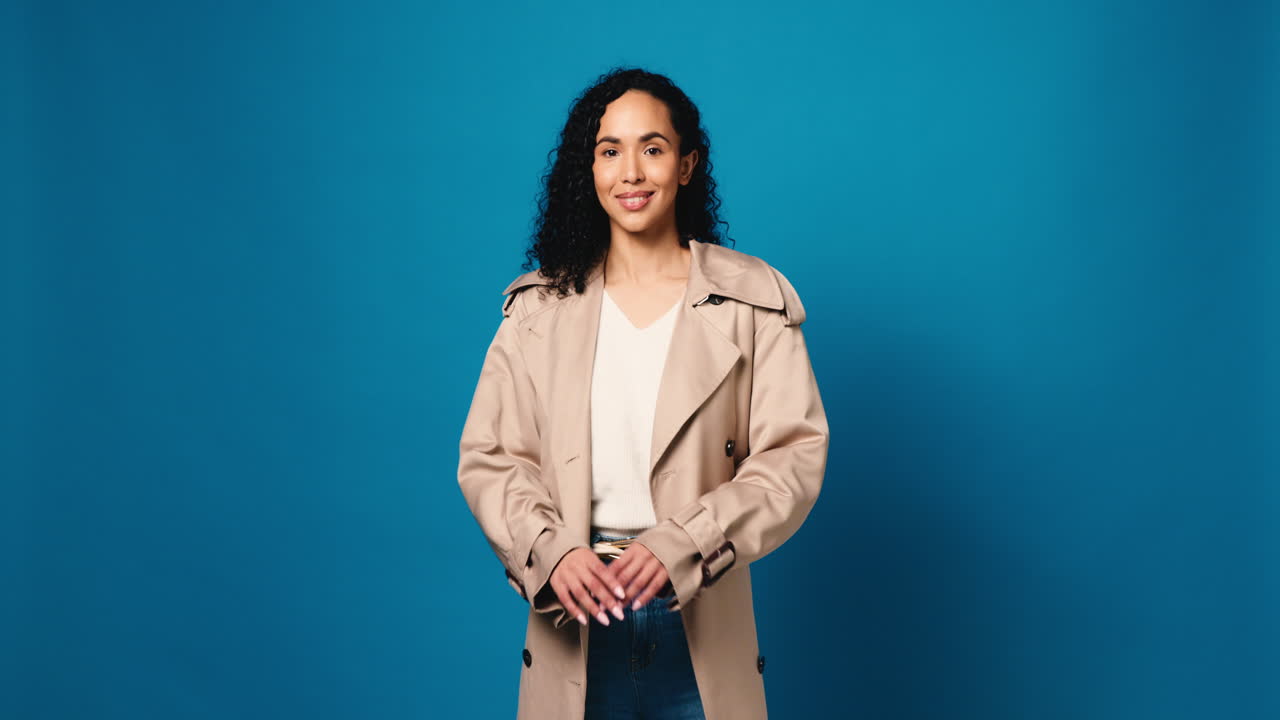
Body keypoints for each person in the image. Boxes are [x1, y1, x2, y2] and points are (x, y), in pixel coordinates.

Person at [458, 66, 830, 720]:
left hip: (696, 614)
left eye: (652, 148)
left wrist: (681, 543)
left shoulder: (752, 301)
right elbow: (491, 457)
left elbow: (791, 459)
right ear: (590, 169)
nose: (630, 171)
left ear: (685, 166)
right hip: (572, 615)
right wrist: (550, 552)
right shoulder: (538, 310)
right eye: (610, 151)